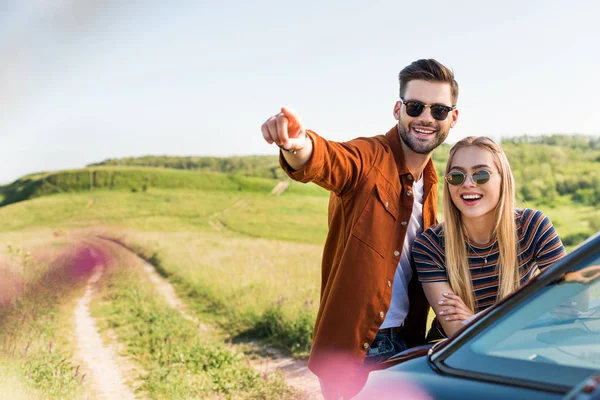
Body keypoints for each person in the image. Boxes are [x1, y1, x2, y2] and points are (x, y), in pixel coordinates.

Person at [260, 59, 459, 399]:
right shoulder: (370, 157)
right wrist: (298, 145)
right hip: (355, 350)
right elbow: (332, 160)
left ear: (452, 119)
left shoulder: (431, 181)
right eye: (415, 106)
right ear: (398, 109)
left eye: (439, 110)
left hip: (407, 343)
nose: (427, 118)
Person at [413, 136, 566, 338]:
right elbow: (457, 333)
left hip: (519, 349)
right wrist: (530, 310)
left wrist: (475, 318)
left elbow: (569, 304)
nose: (467, 184)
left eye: (481, 174)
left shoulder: (532, 226)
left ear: (503, 179)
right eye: (457, 176)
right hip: (451, 359)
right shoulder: (430, 245)